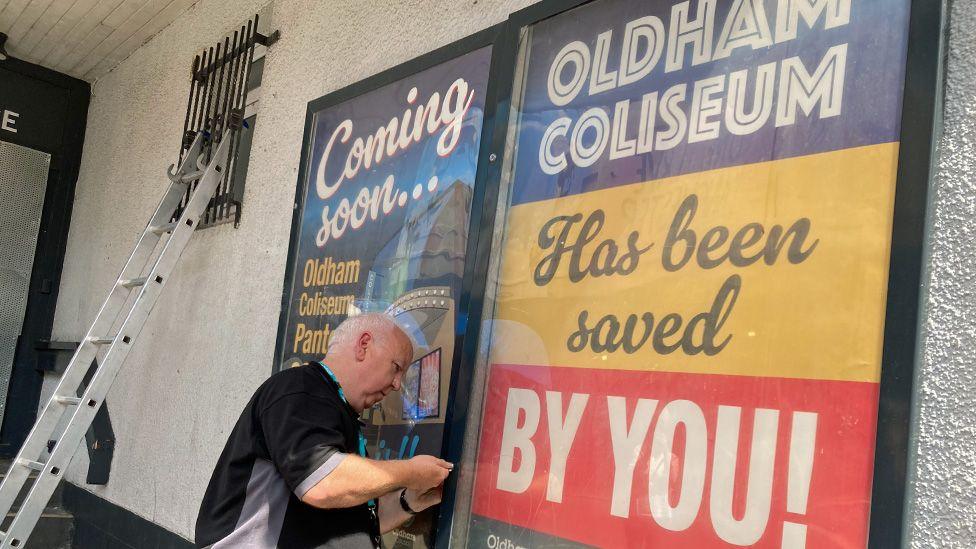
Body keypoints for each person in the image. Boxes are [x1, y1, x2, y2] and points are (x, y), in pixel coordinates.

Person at [194, 313, 453, 548]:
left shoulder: (339, 412)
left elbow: (352, 521)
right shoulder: (300, 390)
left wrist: (408, 502)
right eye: (397, 367)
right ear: (364, 345)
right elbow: (322, 484)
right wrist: (412, 473)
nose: (397, 384)